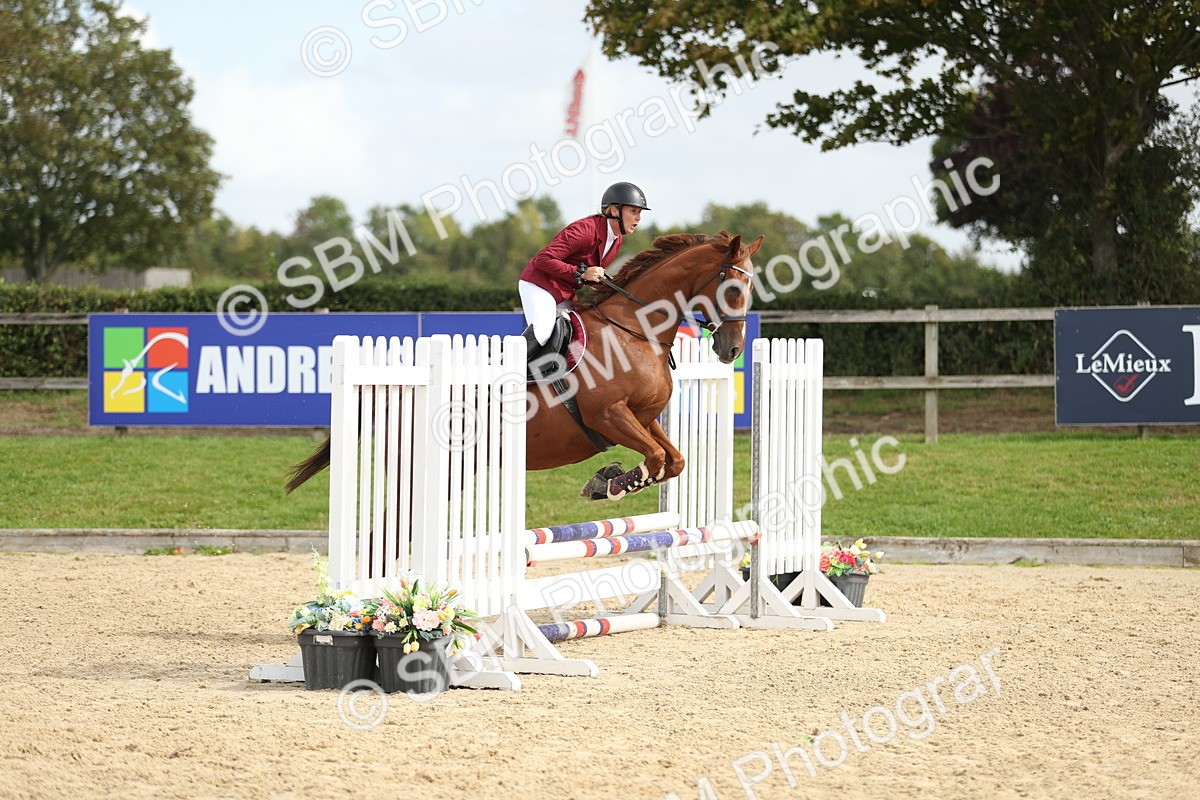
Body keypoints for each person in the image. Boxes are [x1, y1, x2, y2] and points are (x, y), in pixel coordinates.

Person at [518, 181, 650, 347]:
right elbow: (543, 259)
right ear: (615, 210)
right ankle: (506, 363)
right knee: (543, 331)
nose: (638, 217)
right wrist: (582, 273)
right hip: (539, 284)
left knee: (579, 333)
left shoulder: (617, 240)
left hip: (563, 291)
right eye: (633, 211)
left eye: (639, 212)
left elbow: (590, 275)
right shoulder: (585, 231)